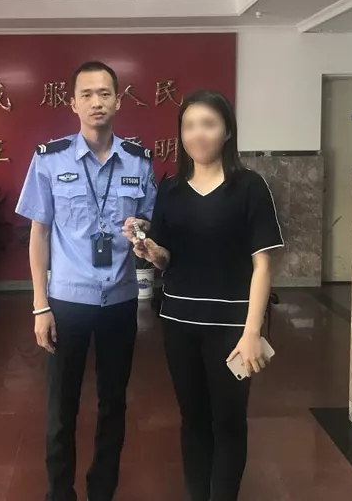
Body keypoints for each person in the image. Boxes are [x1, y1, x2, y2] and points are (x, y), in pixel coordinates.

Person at [123, 90, 283, 501]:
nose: (198, 134)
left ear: (227, 131)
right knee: (193, 419)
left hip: (232, 328)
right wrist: (150, 251)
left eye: (209, 124)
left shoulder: (249, 187)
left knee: (228, 421)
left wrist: (251, 332)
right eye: (189, 125)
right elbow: (167, 257)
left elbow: (263, 265)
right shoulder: (171, 188)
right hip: (179, 324)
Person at [16, 61, 156, 501]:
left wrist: (142, 231)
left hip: (120, 300)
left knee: (113, 404)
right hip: (67, 302)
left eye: (105, 93)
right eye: (87, 94)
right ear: (73, 103)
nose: (97, 102)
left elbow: (148, 221)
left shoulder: (138, 161)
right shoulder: (50, 159)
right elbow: (39, 233)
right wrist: (40, 305)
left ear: (118, 100)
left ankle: (102, 490)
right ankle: (60, 492)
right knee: (62, 406)